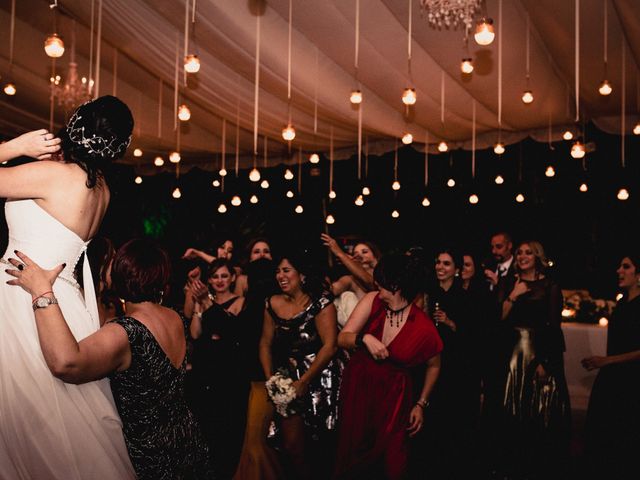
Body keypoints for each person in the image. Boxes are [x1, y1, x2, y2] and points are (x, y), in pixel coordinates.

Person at [0, 96, 137, 478]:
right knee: (63, 428)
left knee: (30, 427)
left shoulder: (56, 176)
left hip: (22, 294)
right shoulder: (100, 189)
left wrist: (15, 148)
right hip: (65, 303)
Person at [6, 239, 214, 479]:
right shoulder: (175, 317)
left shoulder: (125, 332)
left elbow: (66, 362)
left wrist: (41, 291)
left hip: (154, 456)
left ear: (118, 276)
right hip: (188, 440)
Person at [335, 254, 443, 480]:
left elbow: (434, 365)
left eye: (382, 284)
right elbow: (342, 338)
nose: (377, 287)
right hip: (359, 387)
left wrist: (421, 404)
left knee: (391, 461)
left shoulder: (423, 326)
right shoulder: (372, 300)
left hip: (394, 397)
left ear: (396, 286)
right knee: (355, 456)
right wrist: (363, 338)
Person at [259, 252, 343, 479]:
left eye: (286, 270)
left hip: (321, 375)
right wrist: (271, 380)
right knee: (292, 446)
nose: (280, 276)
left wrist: (305, 381)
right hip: (286, 376)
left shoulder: (321, 303)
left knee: (322, 442)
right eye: (278, 271)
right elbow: (265, 343)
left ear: (302, 275)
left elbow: (330, 346)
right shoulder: (272, 302)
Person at [500, 240, 571, 479]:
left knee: (540, 409)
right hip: (512, 353)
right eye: (519, 252)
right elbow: (498, 318)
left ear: (537, 256)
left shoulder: (549, 286)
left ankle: (539, 463)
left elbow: (553, 326)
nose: (522, 256)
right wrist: (513, 294)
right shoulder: (510, 283)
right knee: (513, 407)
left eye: (528, 252)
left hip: (539, 352)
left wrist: (545, 361)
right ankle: (514, 460)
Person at [582, 253, 640, 479]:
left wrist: (607, 361)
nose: (619, 270)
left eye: (626, 267)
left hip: (632, 382)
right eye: (619, 266)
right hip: (612, 379)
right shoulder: (623, 302)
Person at [423, 248, 480, 479]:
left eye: (446, 264)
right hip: (431, 363)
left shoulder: (465, 298)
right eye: (438, 262)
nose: (440, 267)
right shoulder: (428, 294)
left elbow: (476, 337)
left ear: (456, 270)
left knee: (455, 421)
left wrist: (450, 322)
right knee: (434, 420)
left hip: (458, 367)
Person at [189, 258, 246, 478]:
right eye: (215, 276)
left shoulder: (240, 301)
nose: (220, 280)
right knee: (206, 426)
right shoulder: (203, 300)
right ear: (209, 281)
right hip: (205, 372)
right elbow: (195, 334)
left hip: (227, 372)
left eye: (224, 276)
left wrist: (207, 307)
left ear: (232, 278)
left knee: (227, 428)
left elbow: (228, 332)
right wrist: (198, 306)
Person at [233, 258, 284, 480]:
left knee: (255, 443)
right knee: (254, 442)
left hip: (262, 382)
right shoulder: (263, 303)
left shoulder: (262, 305)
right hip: (257, 382)